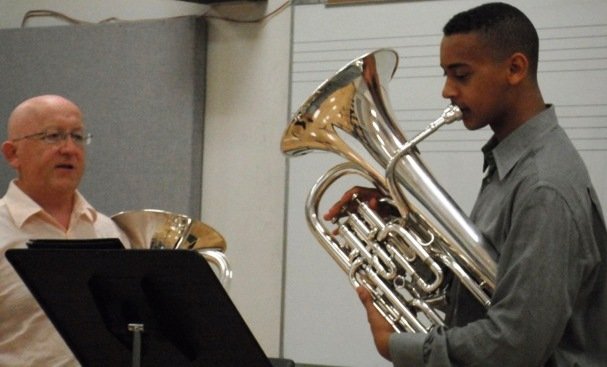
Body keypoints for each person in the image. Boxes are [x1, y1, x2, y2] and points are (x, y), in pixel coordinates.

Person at [325, 3, 607, 366]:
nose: (447, 90)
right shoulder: (513, 164)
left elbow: (514, 345)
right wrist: (397, 226)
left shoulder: (543, 186)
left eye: (461, 75)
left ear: (515, 69)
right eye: (446, 74)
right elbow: (485, 289)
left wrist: (397, 346)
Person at [0, 95, 129, 366]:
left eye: (78, 137)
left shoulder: (110, 231)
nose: (69, 148)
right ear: (13, 154)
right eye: (53, 136)